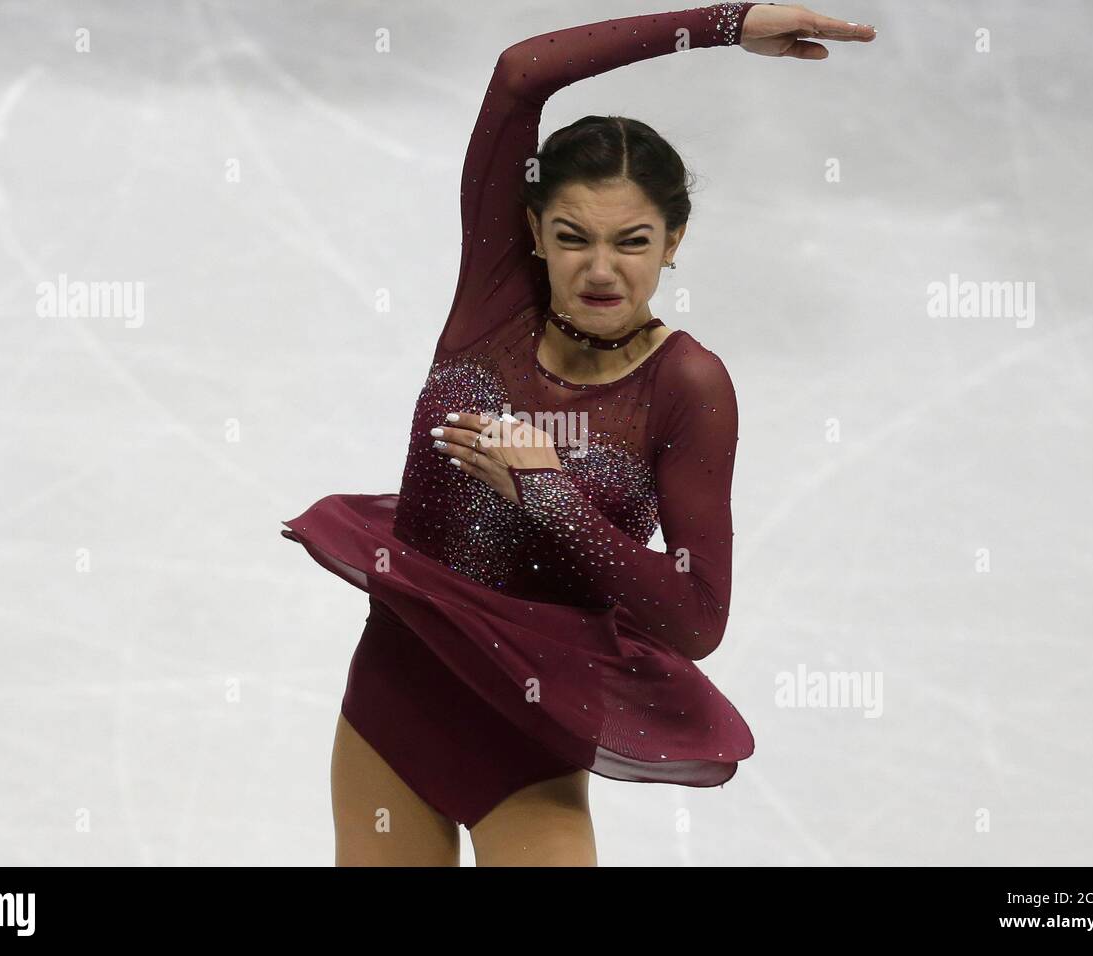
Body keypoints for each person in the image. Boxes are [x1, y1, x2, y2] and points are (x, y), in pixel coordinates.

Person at [281, 2, 876, 866]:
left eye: (632, 241)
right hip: (393, 705)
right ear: (533, 234)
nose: (602, 269)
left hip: (533, 738)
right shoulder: (492, 309)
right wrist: (727, 22)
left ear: (674, 241)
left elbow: (696, 618)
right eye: (573, 238)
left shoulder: (686, 386)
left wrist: (546, 490)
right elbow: (523, 72)